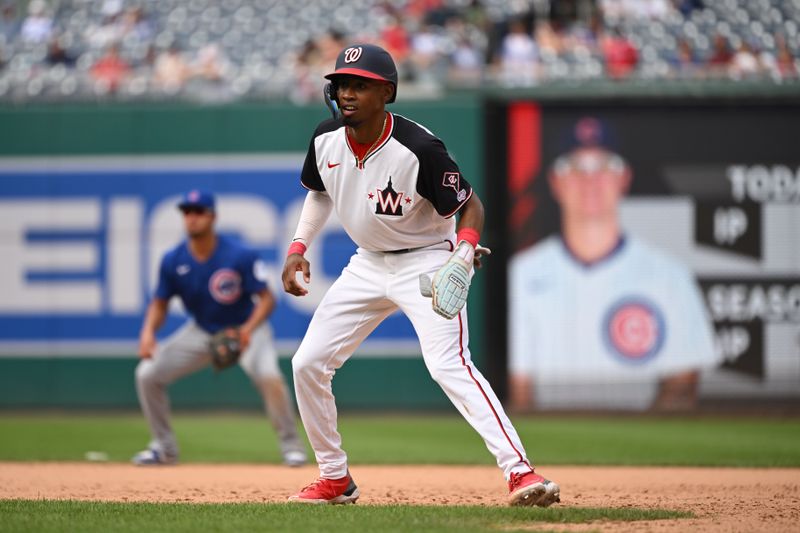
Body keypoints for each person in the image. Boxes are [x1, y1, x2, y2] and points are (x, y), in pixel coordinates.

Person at [281, 43, 559, 507]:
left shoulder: (419, 148)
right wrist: (297, 247)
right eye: (342, 84)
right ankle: (334, 478)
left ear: (386, 91)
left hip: (427, 259)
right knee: (306, 363)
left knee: (448, 364)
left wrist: (463, 252)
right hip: (367, 262)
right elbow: (319, 193)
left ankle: (521, 473)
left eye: (360, 85)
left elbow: (471, 205)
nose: (347, 93)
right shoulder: (325, 137)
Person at [508, 118, 718, 412]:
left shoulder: (668, 274)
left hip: (642, 437)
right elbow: (518, 390)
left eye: (604, 167)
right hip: (547, 439)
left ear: (624, 178)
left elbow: (683, 384)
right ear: (555, 182)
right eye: (575, 168)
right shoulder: (522, 274)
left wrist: (642, 444)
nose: (590, 180)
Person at [133, 190, 307, 467]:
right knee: (147, 374)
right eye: (187, 212)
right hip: (202, 331)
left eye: (198, 211)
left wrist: (247, 330)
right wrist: (147, 333)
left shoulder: (239, 255)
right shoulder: (173, 260)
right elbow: (159, 303)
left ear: (212, 216)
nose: (192, 218)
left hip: (245, 328)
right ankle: (164, 448)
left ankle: (291, 447)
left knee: (269, 377)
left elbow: (267, 299)